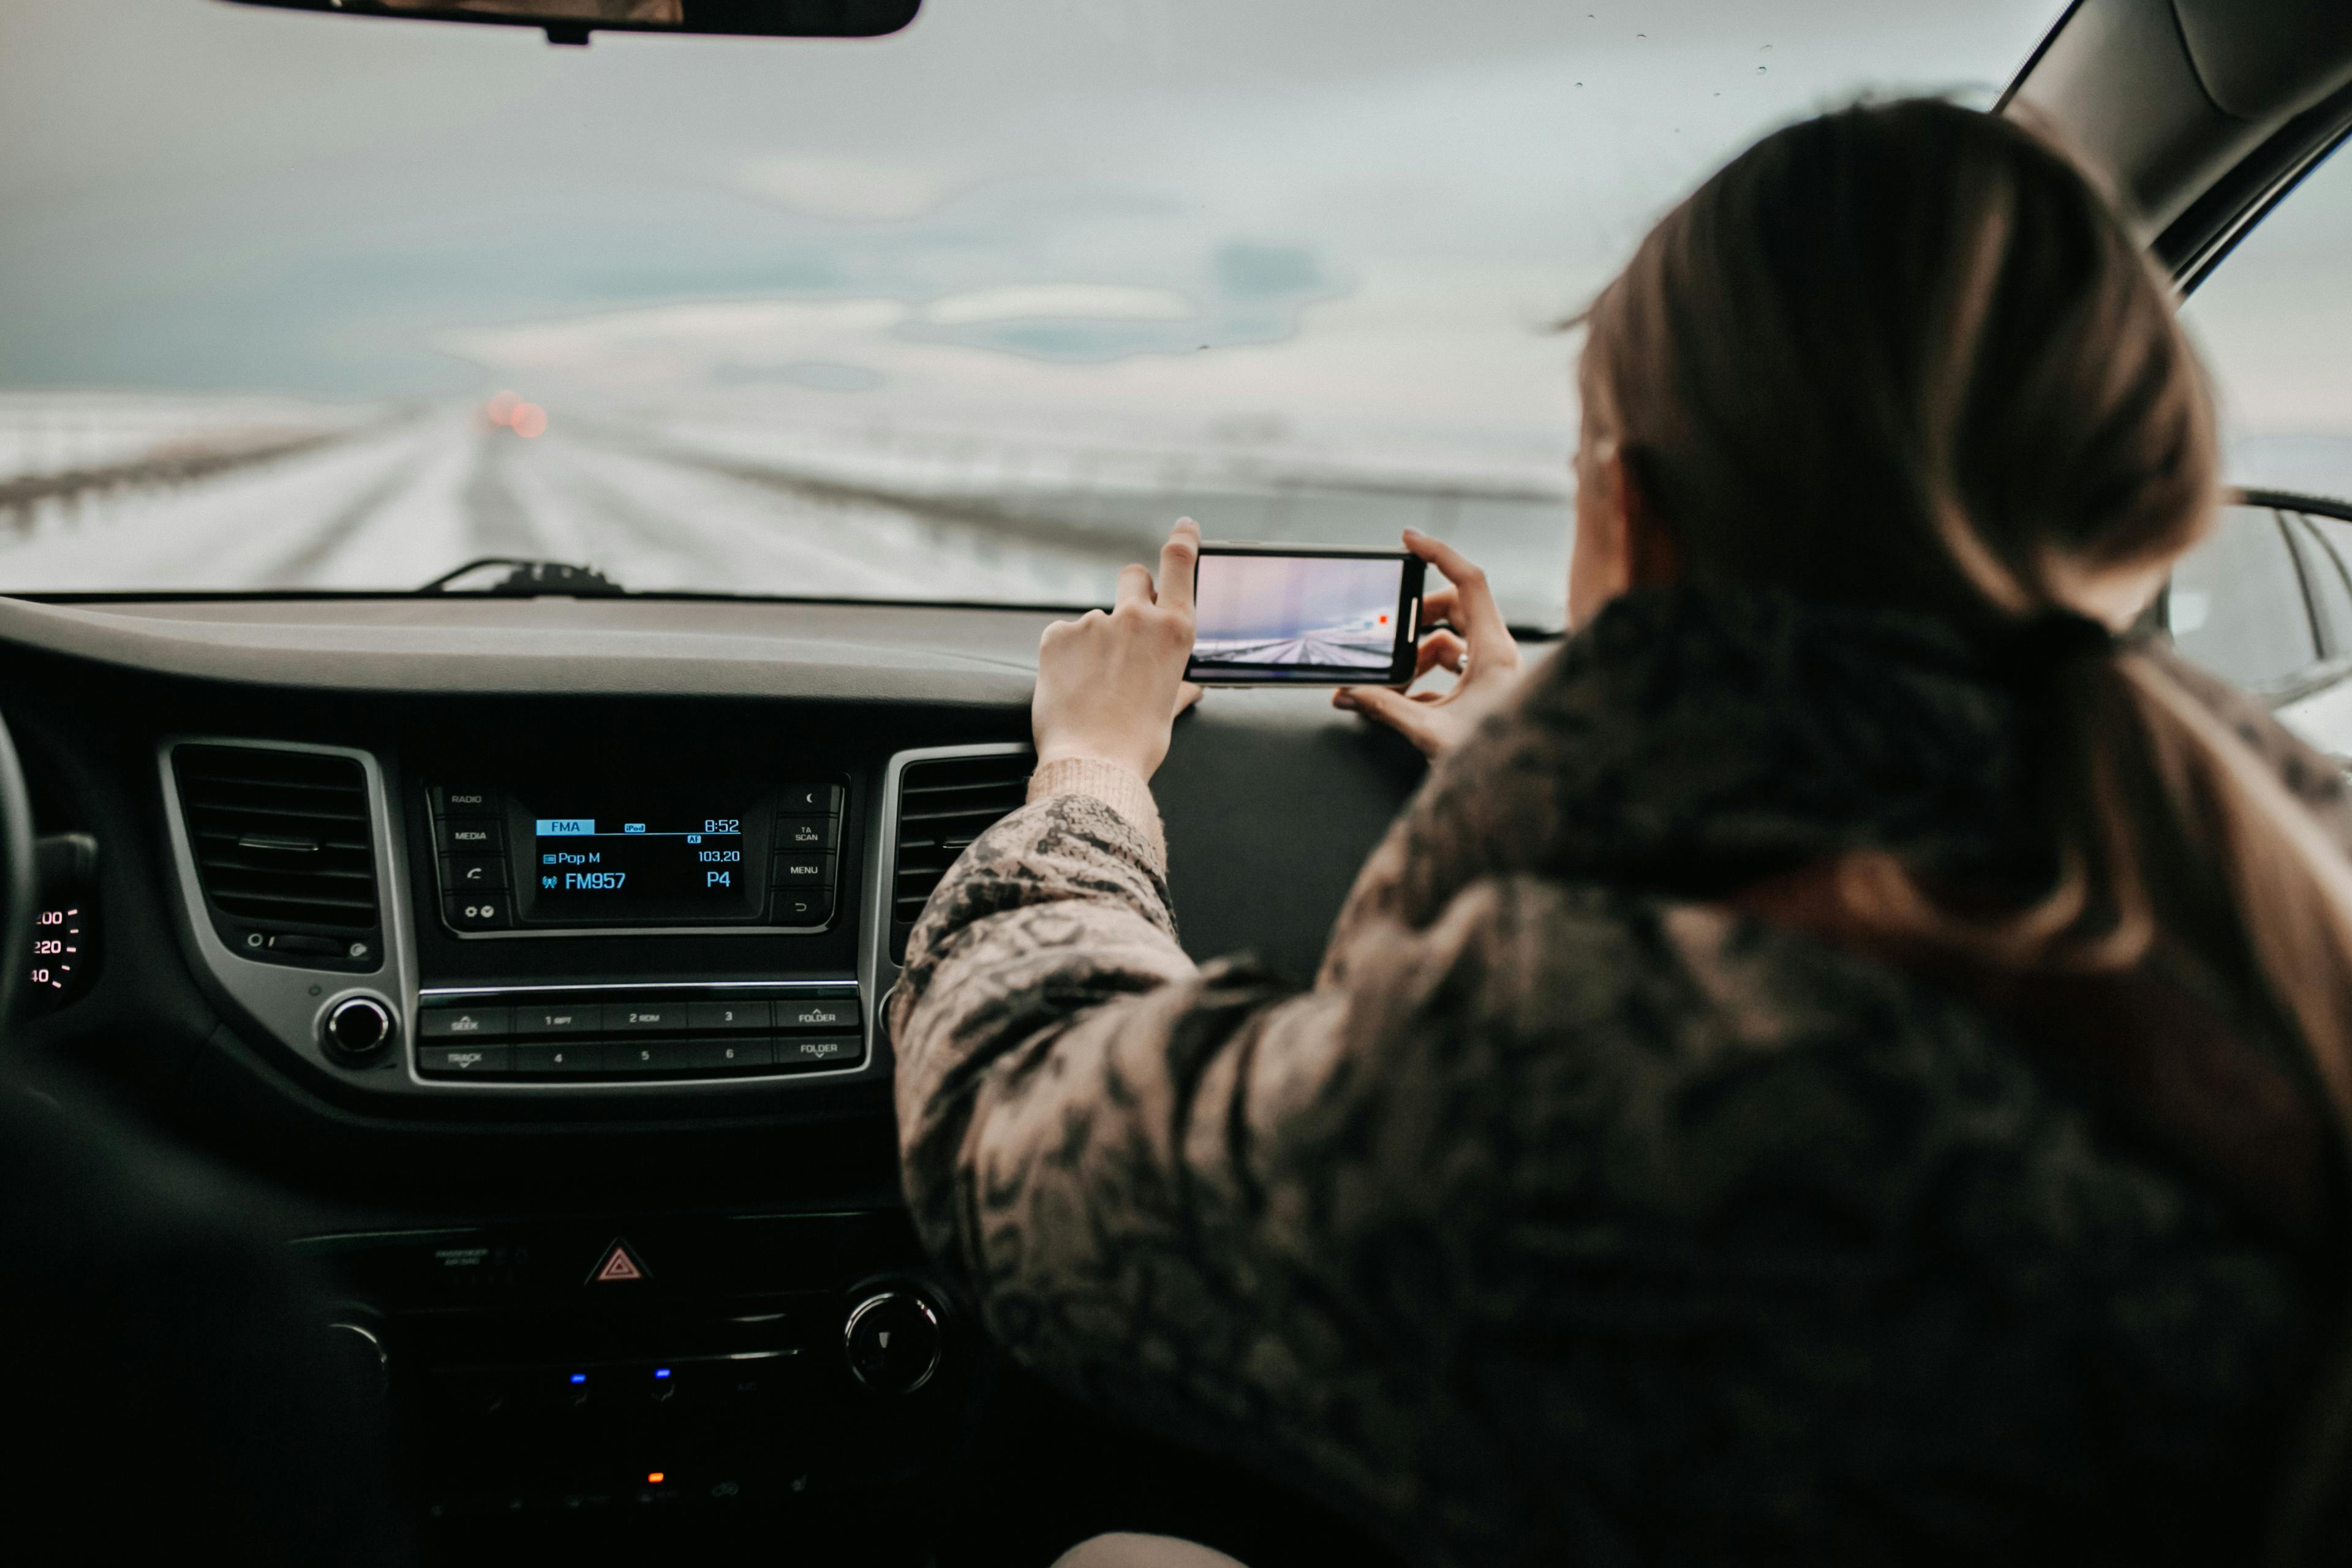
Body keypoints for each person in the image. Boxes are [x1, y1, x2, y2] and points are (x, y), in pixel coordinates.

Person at [886, 99, 2352, 1567]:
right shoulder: (2283, 874)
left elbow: (1013, 1129)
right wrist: (1584, 766)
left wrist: (1087, 769)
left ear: (1634, 518)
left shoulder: (1595, 1061)